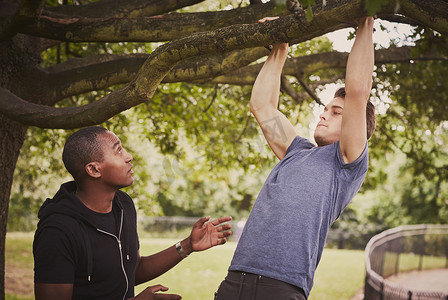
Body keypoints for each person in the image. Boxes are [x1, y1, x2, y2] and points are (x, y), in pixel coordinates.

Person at [215, 16, 375, 300]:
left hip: (282, 288)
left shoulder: (347, 164)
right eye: (325, 109)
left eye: (337, 112)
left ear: (355, 124)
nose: (325, 113)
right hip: (235, 279)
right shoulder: (295, 151)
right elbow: (262, 106)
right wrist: (280, 45)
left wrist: (366, 18)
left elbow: (358, 91)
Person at [33, 126, 232, 300]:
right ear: (94, 169)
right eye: (118, 151)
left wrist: (188, 245)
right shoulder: (57, 231)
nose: (129, 156)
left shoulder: (123, 206)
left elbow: (133, 270)